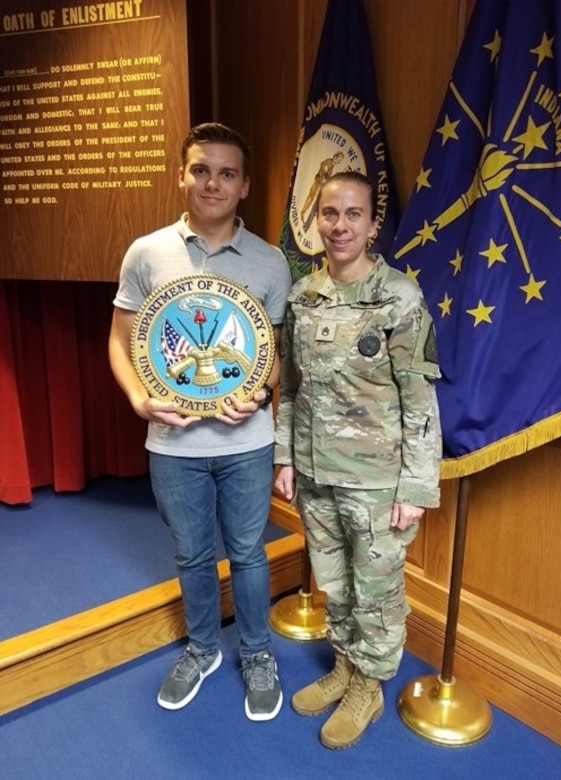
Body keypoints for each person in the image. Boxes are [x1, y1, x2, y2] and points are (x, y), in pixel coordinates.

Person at [109, 122, 292, 721]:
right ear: (181, 176)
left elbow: (275, 353)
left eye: (227, 173)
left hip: (247, 440)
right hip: (172, 441)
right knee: (190, 555)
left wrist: (262, 389)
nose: (212, 182)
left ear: (244, 186)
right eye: (201, 170)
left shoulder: (269, 261)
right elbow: (121, 339)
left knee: (248, 553)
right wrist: (139, 399)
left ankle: (258, 654)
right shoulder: (146, 252)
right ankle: (204, 648)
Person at [274, 171, 441, 748]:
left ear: (373, 225)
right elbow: (291, 389)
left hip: (376, 480)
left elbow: (419, 399)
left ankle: (368, 685)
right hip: (315, 472)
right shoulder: (302, 295)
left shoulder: (400, 297)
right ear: (315, 220)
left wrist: (415, 487)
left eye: (352, 215)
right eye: (328, 213)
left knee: (377, 591)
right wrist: (286, 457)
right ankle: (345, 666)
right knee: (335, 583)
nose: (339, 226)